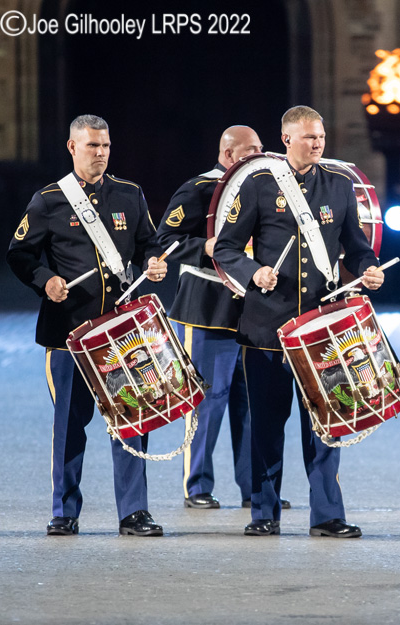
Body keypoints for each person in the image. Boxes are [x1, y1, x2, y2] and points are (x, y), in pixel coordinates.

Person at [213, 106, 385, 537]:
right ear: (286, 140)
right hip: (267, 328)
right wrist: (253, 272)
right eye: (308, 137)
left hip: (321, 329)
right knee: (267, 425)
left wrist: (369, 267)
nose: (317, 143)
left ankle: (327, 515)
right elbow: (226, 248)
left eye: (321, 136)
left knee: (326, 425)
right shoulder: (258, 185)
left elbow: (356, 245)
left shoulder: (340, 185)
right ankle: (264, 514)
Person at [6, 114, 168, 536]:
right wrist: (47, 281)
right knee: (68, 426)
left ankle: (134, 511)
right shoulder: (49, 200)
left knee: (132, 420)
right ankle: (64, 511)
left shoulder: (130, 195)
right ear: (72, 147)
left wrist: (154, 262)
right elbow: (19, 255)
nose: (100, 153)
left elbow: (151, 242)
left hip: (121, 332)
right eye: (92, 146)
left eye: (106, 146)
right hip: (68, 335)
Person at [157, 126, 293, 510]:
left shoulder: (267, 187)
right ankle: (197, 485)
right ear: (229, 154)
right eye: (251, 149)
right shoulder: (198, 189)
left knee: (251, 403)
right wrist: (207, 246)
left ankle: (255, 488)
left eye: (261, 148)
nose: (261, 154)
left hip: (254, 310)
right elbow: (164, 240)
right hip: (208, 310)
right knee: (207, 400)